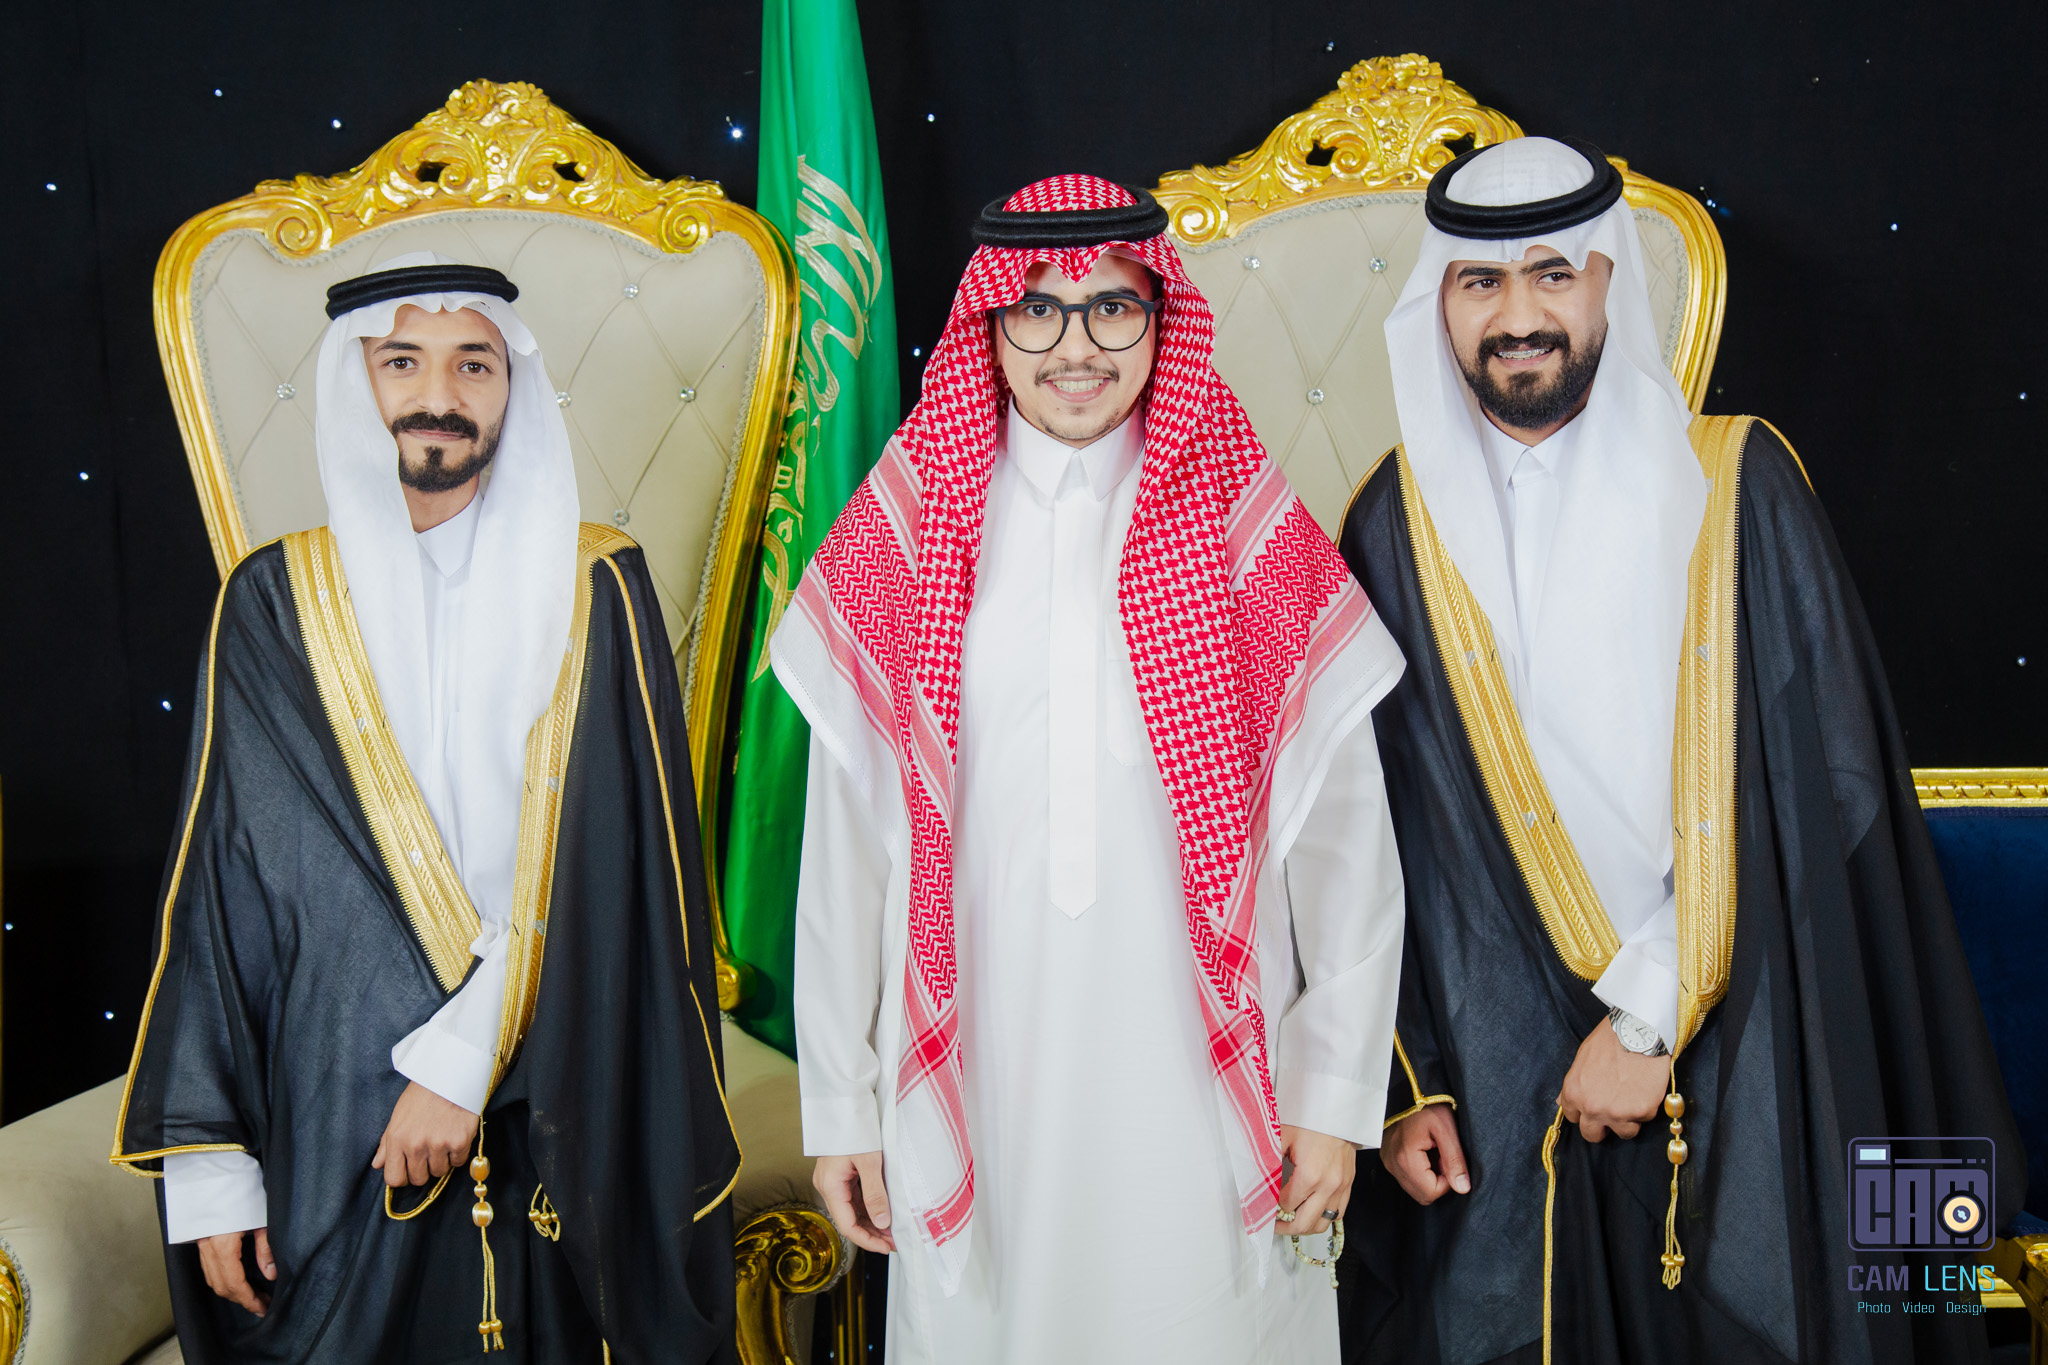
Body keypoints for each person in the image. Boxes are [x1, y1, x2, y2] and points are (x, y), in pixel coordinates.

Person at [1336, 137, 2025, 1364]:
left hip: (1745, 1012)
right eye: (1479, 282)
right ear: (1436, 303)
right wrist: (1408, 1086)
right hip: (1492, 1066)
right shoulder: (1390, 523)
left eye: (1552, 275)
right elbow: (1370, 832)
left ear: (1608, 281)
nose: (1517, 317)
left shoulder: (1737, 483)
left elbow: (1822, 788)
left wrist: (1648, 1018)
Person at [769, 175, 1409, 1362]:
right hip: (977, 1071)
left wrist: (1331, 1097)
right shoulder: (906, 529)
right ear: (988, 328)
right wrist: (840, 1105)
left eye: (1111, 307)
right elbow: (844, 852)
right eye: (1038, 310)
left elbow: (1343, 842)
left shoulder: (1243, 526)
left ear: (1160, 321)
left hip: (1205, 1084)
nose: (1075, 348)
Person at [113, 254, 741, 1363]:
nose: (438, 394)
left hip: (550, 1090)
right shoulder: (274, 600)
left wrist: (460, 1064)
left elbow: (621, 875)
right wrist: (213, 1172)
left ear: (513, 386)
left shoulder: (596, 587)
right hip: (326, 1118)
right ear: (356, 382)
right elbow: (225, 895)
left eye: (473, 364)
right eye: (401, 362)